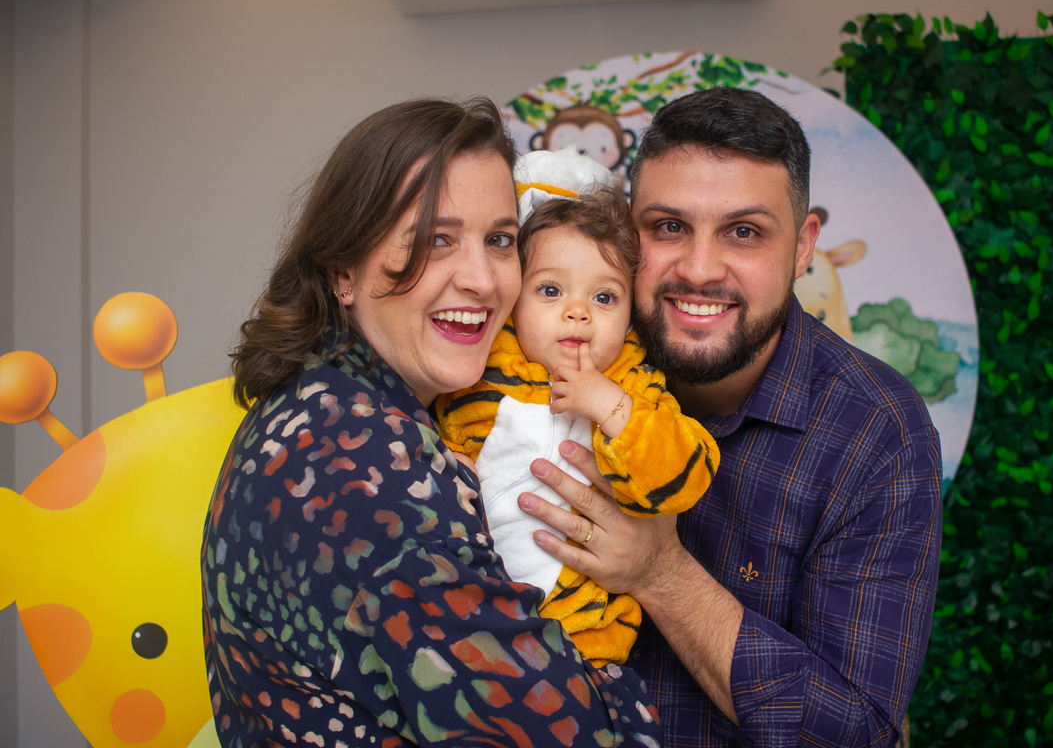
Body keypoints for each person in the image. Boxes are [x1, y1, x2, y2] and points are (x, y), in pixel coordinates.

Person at [200, 99, 662, 747]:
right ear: (343, 272)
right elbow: (565, 734)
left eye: (500, 240)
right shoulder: (361, 463)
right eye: (435, 240)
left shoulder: (326, 400)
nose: (481, 280)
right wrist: (617, 678)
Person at [516, 87, 943, 747]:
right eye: (668, 227)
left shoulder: (875, 430)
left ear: (803, 247)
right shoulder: (535, 356)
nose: (699, 270)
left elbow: (853, 732)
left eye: (744, 232)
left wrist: (661, 573)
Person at [436, 149, 718, 668]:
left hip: (583, 637)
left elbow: (688, 473)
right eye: (550, 290)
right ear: (513, 296)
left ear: (631, 312)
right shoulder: (481, 366)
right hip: (474, 610)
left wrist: (610, 405)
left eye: (605, 298)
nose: (578, 312)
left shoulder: (634, 384)